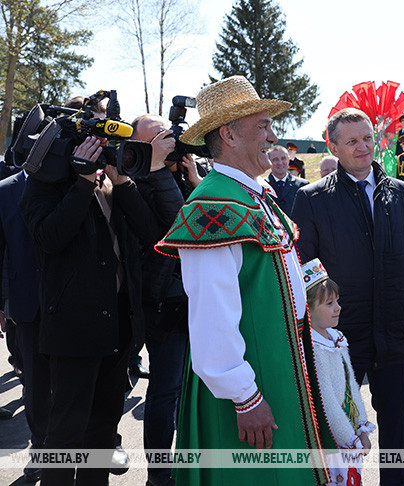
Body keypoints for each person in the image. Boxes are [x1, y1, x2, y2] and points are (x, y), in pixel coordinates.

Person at [155, 75, 331, 485]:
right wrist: (244, 396)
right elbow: (211, 313)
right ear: (229, 135)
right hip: (247, 384)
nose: (273, 136)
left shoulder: (253, 193)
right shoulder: (214, 203)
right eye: (262, 127)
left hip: (277, 366)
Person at [292, 108, 404, 486]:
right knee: (334, 422)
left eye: (368, 138)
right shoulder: (312, 199)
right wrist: (314, 334)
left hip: (395, 331)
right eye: (352, 141)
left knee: (395, 424)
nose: (363, 147)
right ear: (333, 146)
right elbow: (304, 272)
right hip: (338, 336)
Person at [20, 114, 161, 485]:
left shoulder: (113, 185)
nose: (97, 153)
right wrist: (81, 182)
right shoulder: (43, 185)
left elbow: (153, 235)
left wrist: (123, 183)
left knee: (102, 431)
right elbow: (51, 238)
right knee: (65, 433)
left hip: (118, 326)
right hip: (72, 328)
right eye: (90, 146)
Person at [128, 113, 198, 486]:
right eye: (158, 135)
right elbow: (177, 227)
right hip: (163, 305)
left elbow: (206, 225)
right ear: (139, 143)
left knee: (199, 391)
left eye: (170, 135)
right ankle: (159, 474)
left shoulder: (189, 177)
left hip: (198, 302)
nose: (169, 140)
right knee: (165, 391)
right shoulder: (132, 179)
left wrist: (197, 181)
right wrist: (155, 169)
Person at [304, 258, 374, 486]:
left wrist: (362, 426)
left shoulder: (337, 338)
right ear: (308, 310)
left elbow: (351, 386)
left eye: (337, 301)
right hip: (331, 437)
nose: (338, 307)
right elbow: (326, 401)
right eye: (329, 304)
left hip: (349, 429)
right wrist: (349, 439)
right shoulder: (312, 348)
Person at [0, 166, 47, 482]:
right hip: (25, 305)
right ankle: (41, 449)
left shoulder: (82, 180)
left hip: (74, 305)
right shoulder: (6, 190)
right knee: (37, 385)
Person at [266, 145, 308, 215]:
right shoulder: (262, 186)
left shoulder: (303, 185)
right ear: (269, 162)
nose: (280, 163)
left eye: (283, 158)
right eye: (275, 159)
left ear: (288, 160)